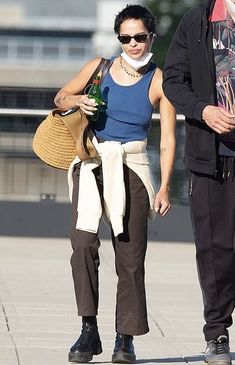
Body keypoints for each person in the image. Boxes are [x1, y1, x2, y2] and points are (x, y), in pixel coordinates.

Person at [54, 4, 176, 364]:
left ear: (151, 36)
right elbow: (60, 98)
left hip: (132, 167)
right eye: (125, 37)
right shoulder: (99, 66)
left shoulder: (159, 79)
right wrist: (77, 99)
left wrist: (165, 186)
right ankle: (88, 329)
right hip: (92, 164)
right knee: (82, 246)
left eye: (139, 36)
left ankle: (126, 338)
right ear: (118, 38)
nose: (133, 43)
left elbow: (168, 139)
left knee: (130, 256)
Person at [163, 0, 235, 364]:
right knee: (215, 249)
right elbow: (173, 80)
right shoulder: (198, 20)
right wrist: (202, 110)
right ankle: (217, 333)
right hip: (212, 156)